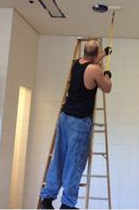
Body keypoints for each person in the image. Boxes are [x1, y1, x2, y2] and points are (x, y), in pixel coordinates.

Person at [40, 40, 113, 209]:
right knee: (75, 163)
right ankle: (67, 204)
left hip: (65, 118)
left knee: (58, 159)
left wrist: (105, 53)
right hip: (79, 123)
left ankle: (47, 199)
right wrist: (107, 75)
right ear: (95, 55)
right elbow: (107, 88)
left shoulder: (77, 64)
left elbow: (91, 61)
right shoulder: (95, 70)